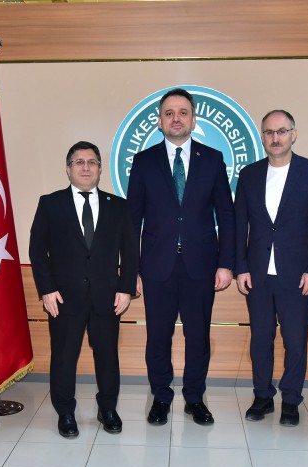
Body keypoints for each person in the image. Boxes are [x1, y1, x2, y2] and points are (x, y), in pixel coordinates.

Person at [127, 87, 235, 426]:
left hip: (201, 266)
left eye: (183, 112)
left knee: (198, 337)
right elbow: (132, 220)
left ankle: (194, 398)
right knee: (158, 337)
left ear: (193, 119)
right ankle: (161, 397)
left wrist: (226, 263)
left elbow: (227, 216)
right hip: (156, 267)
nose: (176, 118)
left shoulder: (213, 159)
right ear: (160, 121)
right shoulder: (144, 162)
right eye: (169, 113)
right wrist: (132, 270)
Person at [29, 141, 138, 438]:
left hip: (107, 297)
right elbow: (37, 251)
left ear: (100, 169)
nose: (86, 167)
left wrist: (126, 288)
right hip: (63, 298)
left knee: (107, 356)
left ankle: (108, 409)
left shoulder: (119, 206)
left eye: (92, 162)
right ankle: (65, 412)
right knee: (64, 357)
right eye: (79, 162)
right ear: (68, 169)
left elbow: (130, 251)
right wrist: (46, 289)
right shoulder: (50, 204)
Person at [234, 110, 308, 425]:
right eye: (269, 132)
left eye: (282, 131)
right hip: (257, 274)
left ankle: (290, 399)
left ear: (293, 134)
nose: (276, 138)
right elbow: (240, 224)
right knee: (261, 339)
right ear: (262, 137)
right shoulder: (249, 174)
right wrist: (240, 267)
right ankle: (262, 396)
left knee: (295, 341)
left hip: (298, 275)